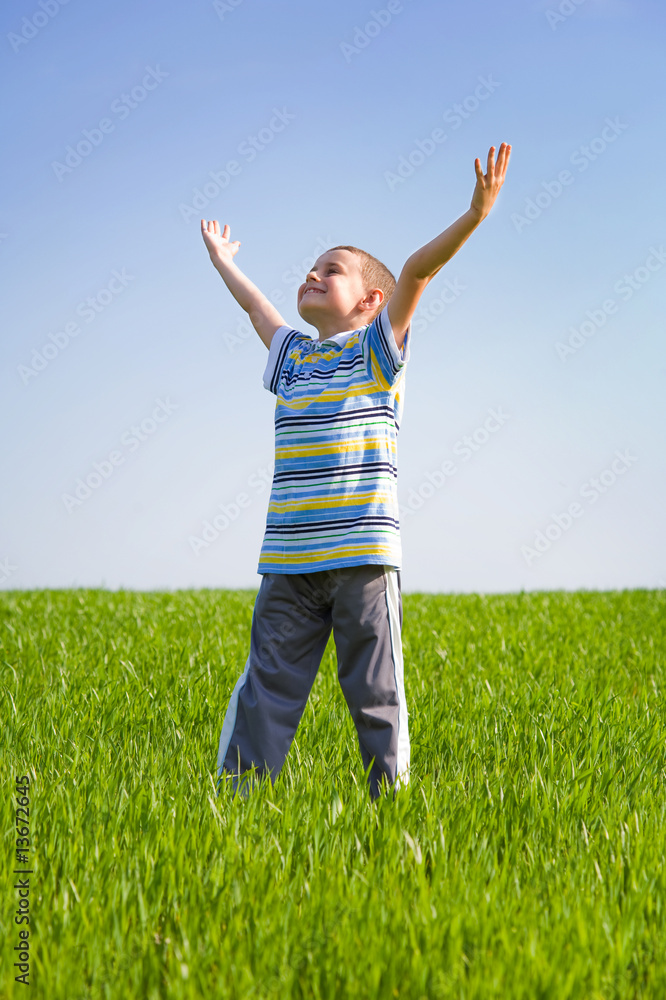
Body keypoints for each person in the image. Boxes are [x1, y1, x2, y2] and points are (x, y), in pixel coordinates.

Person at [202, 143, 511, 799]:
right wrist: (227, 264)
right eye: (310, 268)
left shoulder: (377, 352)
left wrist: (475, 215)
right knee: (267, 689)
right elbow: (259, 311)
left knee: (376, 694)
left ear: (370, 300)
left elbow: (415, 271)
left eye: (330, 271)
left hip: (363, 555)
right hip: (287, 561)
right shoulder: (292, 361)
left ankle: (390, 807)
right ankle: (233, 807)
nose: (312, 275)